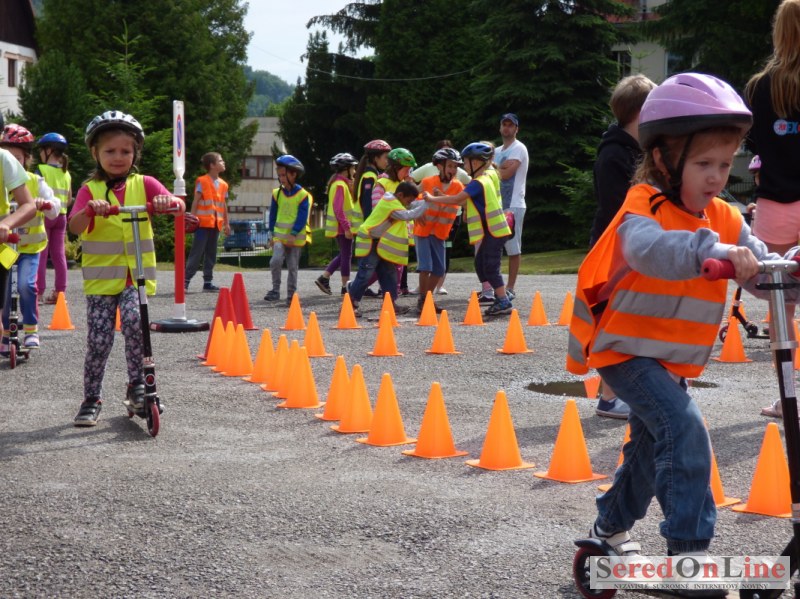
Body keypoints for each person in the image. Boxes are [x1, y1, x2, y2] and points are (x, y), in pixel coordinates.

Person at [566, 74, 788, 581]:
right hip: (624, 349)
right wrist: (713, 250)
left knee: (650, 445)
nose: (716, 177)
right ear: (664, 159)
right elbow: (649, 250)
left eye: (724, 165)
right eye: (703, 164)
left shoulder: (726, 217)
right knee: (684, 429)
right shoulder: (643, 203)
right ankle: (688, 555)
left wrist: (786, 273)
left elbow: (762, 269)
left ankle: (608, 530)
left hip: (667, 359)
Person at [68, 111, 186, 427]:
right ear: (95, 153)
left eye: (125, 151)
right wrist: (89, 211)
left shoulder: (144, 184)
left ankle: (138, 386)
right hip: (101, 281)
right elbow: (74, 226)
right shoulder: (89, 189)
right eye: (110, 151)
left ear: (135, 154)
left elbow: (178, 206)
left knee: (135, 324)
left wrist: (166, 203)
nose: (118, 157)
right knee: (99, 341)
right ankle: (91, 399)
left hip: (137, 278)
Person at [744, 0, 800, 419]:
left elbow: (753, 144)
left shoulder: (759, 87)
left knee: (782, 309)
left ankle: (787, 398)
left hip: (775, 202)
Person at [588, 74, 656, 419]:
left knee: (633, 322)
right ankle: (610, 397)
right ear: (641, 112)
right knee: (616, 323)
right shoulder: (614, 155)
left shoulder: (638, 151)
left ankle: (625, 393)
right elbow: (619, 208)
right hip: (615, 248)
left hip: (632, 246)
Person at [422, 142, 513, 316]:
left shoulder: (478, 183)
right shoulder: (486, 178)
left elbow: (458, 199)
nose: (463, 166)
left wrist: (433, 199)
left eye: (465, 162)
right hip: (492, 231)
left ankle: (503, 299)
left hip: (494, 231)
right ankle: (501, 292)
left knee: (490, 266)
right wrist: (444, 196)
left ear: (476, 162)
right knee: (481, 264)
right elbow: (464, 200)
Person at [0, 124, 59, 354]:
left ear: (26, 159)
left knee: (26, 285)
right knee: (6, 291)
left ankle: (31, 329)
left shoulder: (34, 181)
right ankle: (7, 332)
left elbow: (55, 209)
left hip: (29, 248)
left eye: (17, 158)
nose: (12, 163)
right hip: (7, 247)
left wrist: (46, 204)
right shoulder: (4, 184)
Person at [348, 181, 428, 318]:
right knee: (365, 274)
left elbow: (412, 206)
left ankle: (390, 304)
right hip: (370, 241)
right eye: (407, 200)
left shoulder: (393, 201)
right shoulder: (390, 204)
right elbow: (408, 215)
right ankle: (350, 304)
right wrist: (427, 204)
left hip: (379, 243)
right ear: (400, 195)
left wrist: (428, 200)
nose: (408, 204)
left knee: (389, 273)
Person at [414, 147, 464, 313]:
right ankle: (423, 300)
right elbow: (410, 198)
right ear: (439, 166)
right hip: (423, 230)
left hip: (441, 233)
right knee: (426, 267)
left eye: (455, 167)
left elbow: (463, 201)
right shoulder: (428, 182)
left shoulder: (458, 186)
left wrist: (441, 195)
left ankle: (427, 299)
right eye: (450, 166)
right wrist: (415, 213)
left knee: (439, 269)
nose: (453, 170)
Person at [265, 154, 311, 305]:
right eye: (279, 176)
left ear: (294, 174)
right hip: (279, 237)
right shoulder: (277, 193)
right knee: (275, 261)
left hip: (294, 238)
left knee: (292, 267)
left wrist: (294, 233)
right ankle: (275, 290)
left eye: (284, 175)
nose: (281, 179)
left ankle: (291, 295)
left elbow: (302, 217)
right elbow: (272, 216)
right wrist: (271, 234)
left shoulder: (303, 195)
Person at [372, 148, 418, 296]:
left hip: (400, 233)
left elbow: (410, 205)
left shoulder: (404, 183)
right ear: (396, 167)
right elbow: (377, 207)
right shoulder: (382, 183)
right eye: (406, 169)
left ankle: (392, 296)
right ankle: (356, 287)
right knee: (383, 267)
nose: (409, 173)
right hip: (387, 233)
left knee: (398, 266)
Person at [34, 132, 72, 305]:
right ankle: (60, 293)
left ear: (48, 150)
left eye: (41, 150)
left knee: (41, 254)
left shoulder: (41, 170)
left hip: (45, 215)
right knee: (59, 255)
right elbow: (69, 199)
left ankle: (38, 293)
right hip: (61, 216)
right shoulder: (66, 173)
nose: (40, 154)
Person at [494, 113, 528, 301]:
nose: (506, 128)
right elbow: (489, 172)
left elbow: (507, 175)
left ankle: (511, 288)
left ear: (516, 129)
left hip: (513, 205)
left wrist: (494, 168)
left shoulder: (519, 148)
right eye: (504, 124)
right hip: (498, 204)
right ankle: (497, 287)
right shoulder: (497, 151)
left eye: (510, 125)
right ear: (500, 127)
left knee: (513, 247)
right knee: (495, 247)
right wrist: (500, 167)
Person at [352, 139, 392, 299]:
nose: (387, 161)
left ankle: (391, 302)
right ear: (376, 158)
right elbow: (367, 205)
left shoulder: (372, 175)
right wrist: (374, 228)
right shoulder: (370, 176)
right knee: (366, 271)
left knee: (385, 270)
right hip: (368, 231)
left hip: (369, 230)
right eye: (385, 157)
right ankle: (352, 299)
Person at [185, 152, 230, 292]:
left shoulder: (224, 185)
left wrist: (227, 223)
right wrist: (191, 219)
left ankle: (208, 282)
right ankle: (185, 281)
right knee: (197, 253)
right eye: (220, 161)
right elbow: (196, 201)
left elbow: (223, 205)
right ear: (212, 165)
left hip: (216, 224)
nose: (223, 162)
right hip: (202, 225)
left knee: (211, 253)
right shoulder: (202, 181)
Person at [316, 152, 359, 295]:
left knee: (344, 254)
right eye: (353, 168)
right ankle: (344, 286)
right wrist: (347, 228)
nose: (354, 170)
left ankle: (325, 278)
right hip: (342, 227)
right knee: (346, 256)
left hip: (342, 227)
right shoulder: (340, 185)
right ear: (346, 169)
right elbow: (338, 209)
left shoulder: (340, 183)